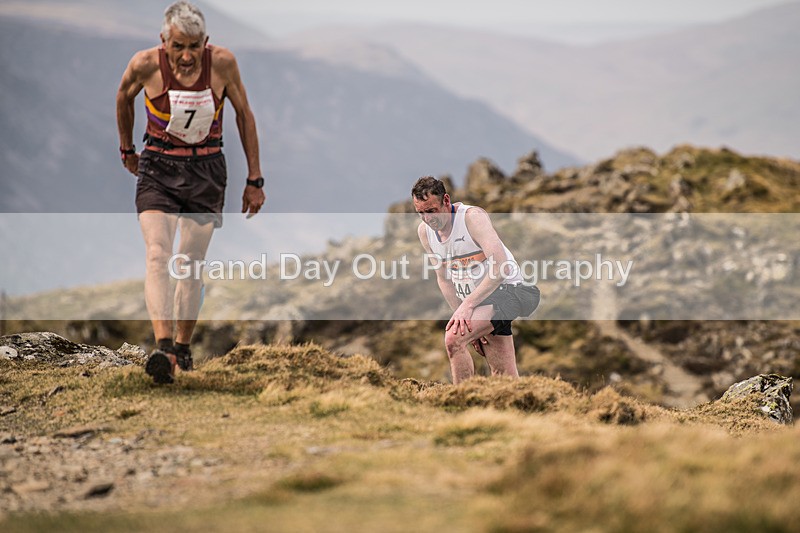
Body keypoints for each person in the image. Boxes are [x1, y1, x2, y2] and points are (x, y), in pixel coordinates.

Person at [116, 1, 265, 383]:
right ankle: (164, 348)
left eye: (194, 47)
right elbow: (123, 96)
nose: (186, 56)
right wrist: (127, 149)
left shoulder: (223, 64)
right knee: (157, 254)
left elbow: (244, 114)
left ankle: (182, 348)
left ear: (206, 42)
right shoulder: (145, 64)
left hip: (206, 170)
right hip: (158, 168)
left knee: (189, 263)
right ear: (163, 40)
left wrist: (255, 179)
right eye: (178, 46)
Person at [412, 176, 540, 384]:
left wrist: (467, 307)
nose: (428, 218)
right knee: (504, 376)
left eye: (432, 210)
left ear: (446, 200)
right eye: (421, 213)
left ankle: (461, 399)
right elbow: (444, 279)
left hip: (512, 290)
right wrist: (462, 313)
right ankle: (527, 402)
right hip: (482, 301)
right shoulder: (425, 232)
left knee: (454, 339)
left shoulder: (472, 218)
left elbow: (501, 268)